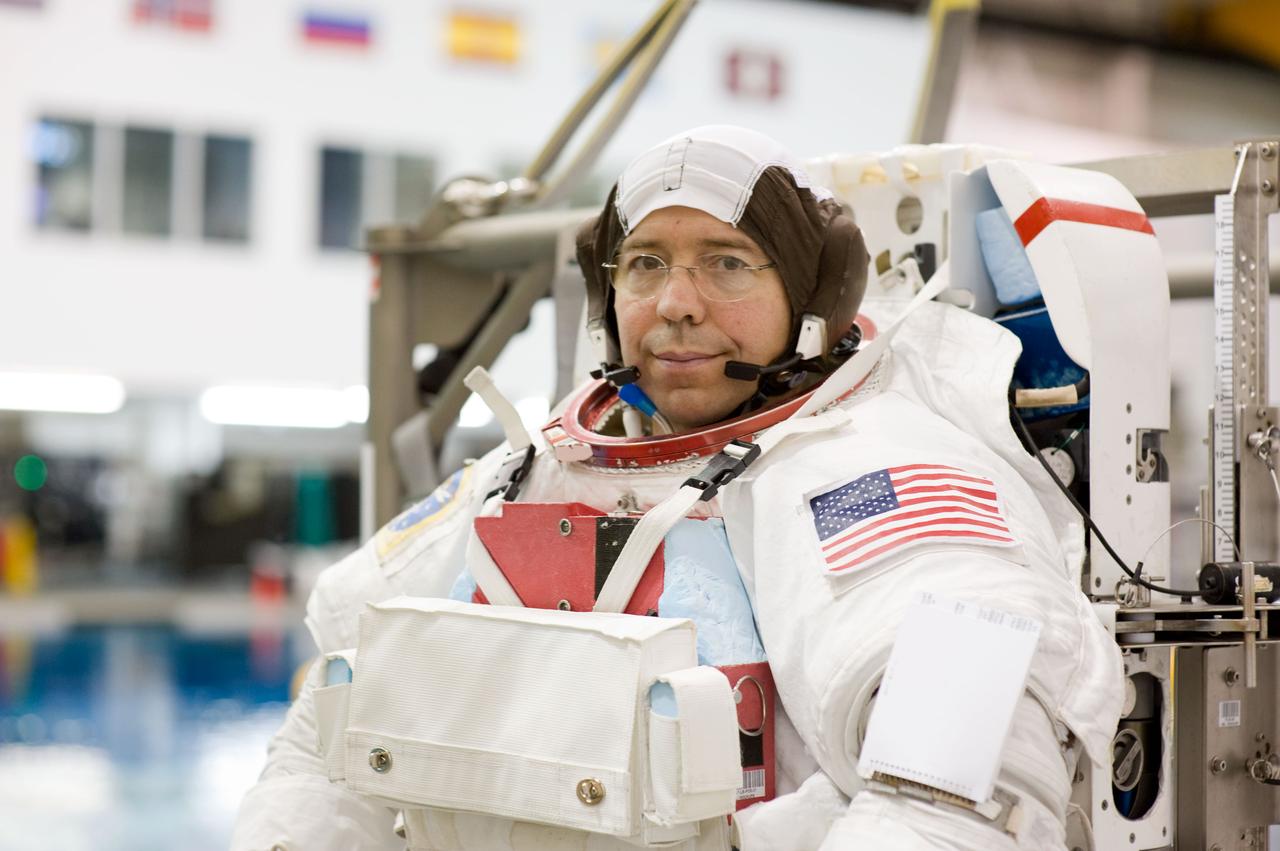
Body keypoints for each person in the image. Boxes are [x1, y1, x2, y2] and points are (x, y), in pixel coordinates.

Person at [232, 125, 1122, 851]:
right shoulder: (527, 469)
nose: (677, 302)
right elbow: (331, 728)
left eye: (727, 262)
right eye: (646, 264)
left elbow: (956, 803)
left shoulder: (882, 476)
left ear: (815, 293)